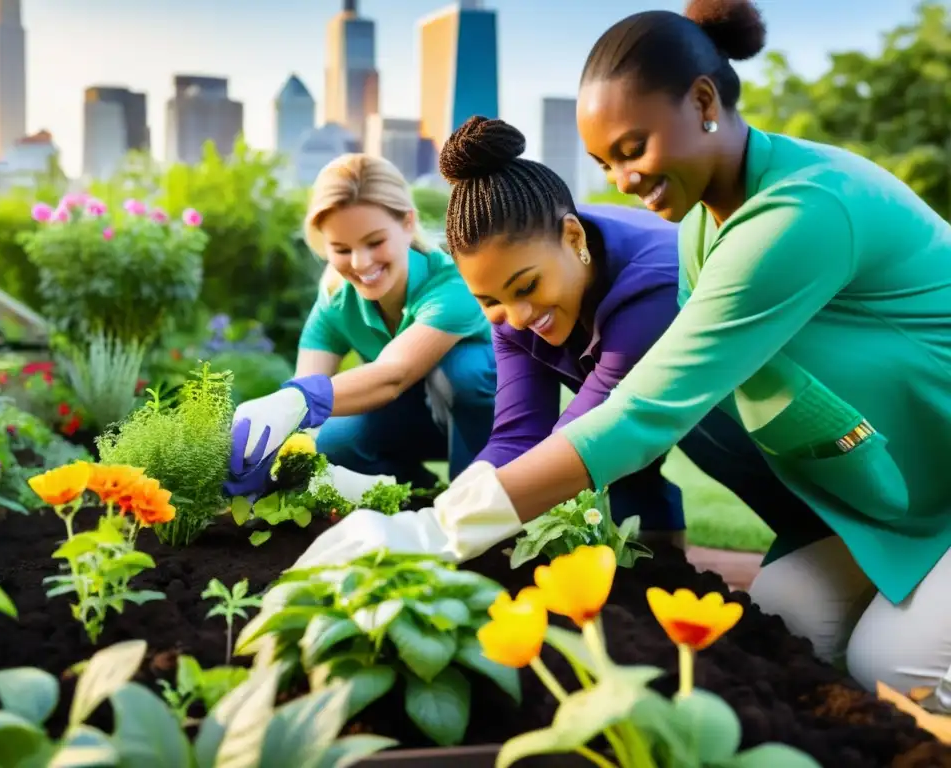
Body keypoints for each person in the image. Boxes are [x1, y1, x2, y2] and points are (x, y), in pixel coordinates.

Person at [292, 0, 951, 696]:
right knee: (776, 627)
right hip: (902, 497)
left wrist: (437, 529)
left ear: (703, 102)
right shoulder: (705, 225)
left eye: (634, 149)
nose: (625, 181)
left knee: (893, 667)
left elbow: (641, 413)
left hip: (935, 477)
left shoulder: (800, 213)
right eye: (608, 162)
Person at [438, 115, 825, 551]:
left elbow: (582, 441)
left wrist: (438, 532)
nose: (518, 315)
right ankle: (660, 549)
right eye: (488, 300)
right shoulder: (513, 298)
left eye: (526, 288)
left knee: (809, 553)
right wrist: (454, 500)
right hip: (640, 419)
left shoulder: (656, 281)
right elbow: (518, 434)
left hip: (777, 437)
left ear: (572, 236)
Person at [225, 154, 495, 498]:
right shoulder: (337, 301)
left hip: (486, 423)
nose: (360, 263)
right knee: (336, 439)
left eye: (374, 242)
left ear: (407, 223)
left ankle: (476, 496)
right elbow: (307, 396)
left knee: (466, 372)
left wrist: (297, 401)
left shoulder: (452, 282)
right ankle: (416, 497)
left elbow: (393, 375)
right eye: (341, 248)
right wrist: (265, 455)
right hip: (414, 425)